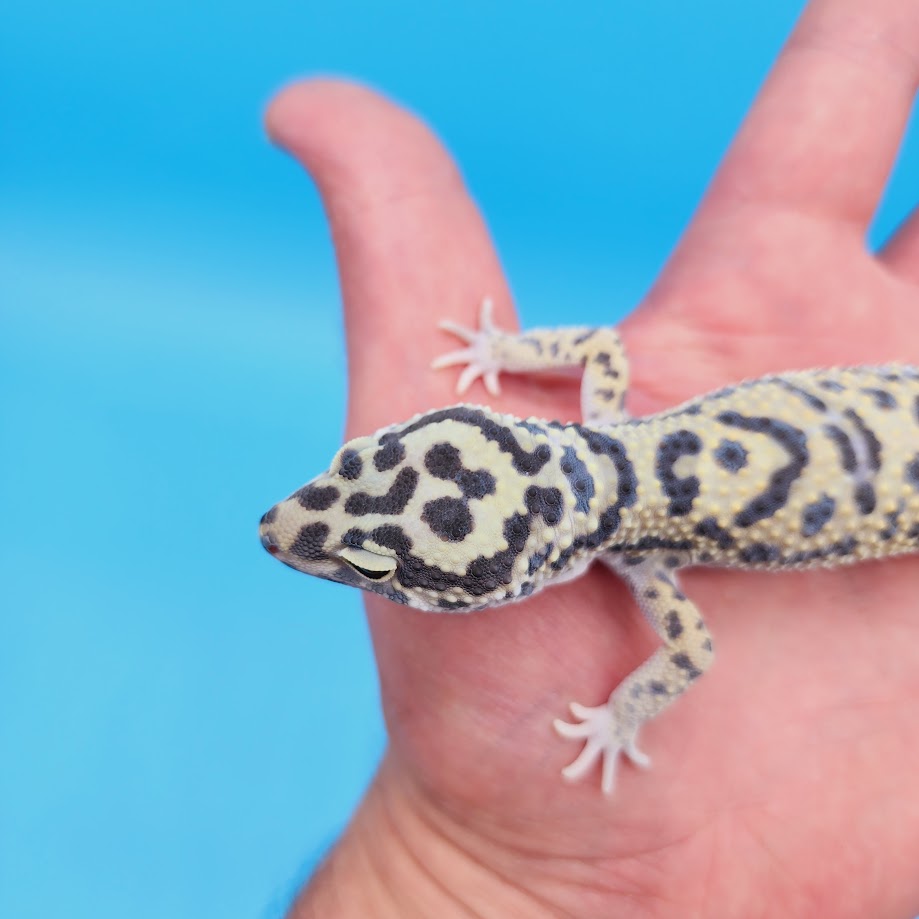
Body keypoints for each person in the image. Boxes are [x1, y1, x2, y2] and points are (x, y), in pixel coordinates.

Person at [266, 0, 919, 914]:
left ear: (517, 574)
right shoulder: (610, 423)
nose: (289, 527)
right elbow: (596, 356)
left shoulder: (646, 560)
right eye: (348, 483)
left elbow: (690, 655)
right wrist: (509, 355)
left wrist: (623, 717)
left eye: (371, 564)